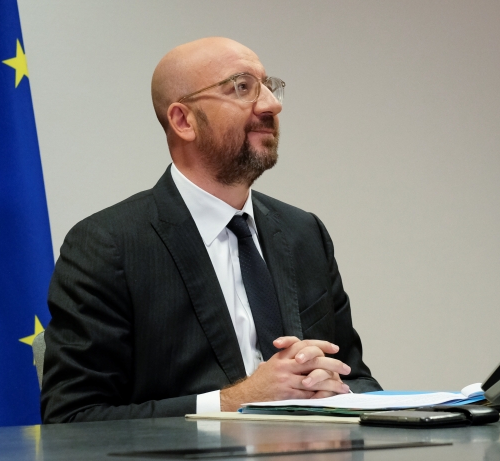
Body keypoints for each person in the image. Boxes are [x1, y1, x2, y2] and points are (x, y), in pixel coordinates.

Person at [41, 37, 380, 422]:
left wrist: (334, 388)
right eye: (242, 88)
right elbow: (72, 417)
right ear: (183, 121)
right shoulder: (108, 245)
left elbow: (358, 376)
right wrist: (235, 401)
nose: (271, 104)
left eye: (268, 86)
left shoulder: (304, 233)